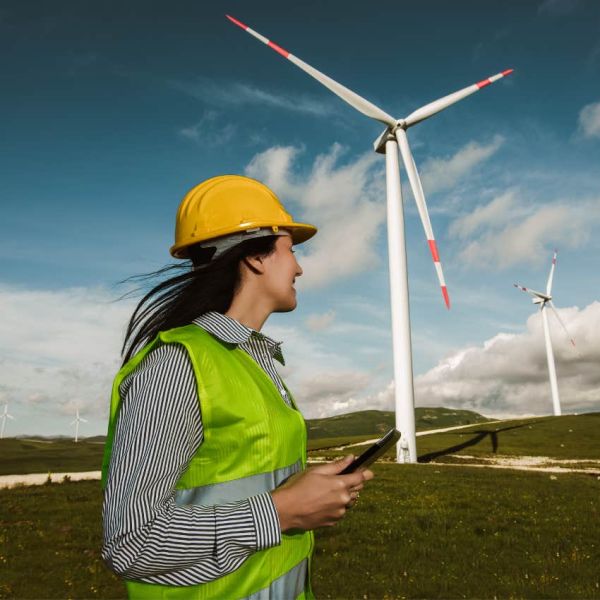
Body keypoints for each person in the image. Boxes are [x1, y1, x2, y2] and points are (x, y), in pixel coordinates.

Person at [101, 175, 373, 599]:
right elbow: (131, 543)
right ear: (255, 258)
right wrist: (282, 511)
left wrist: (311, 488)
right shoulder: (178, 365)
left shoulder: (253, 363)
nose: (299, 267)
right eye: (291, 251)